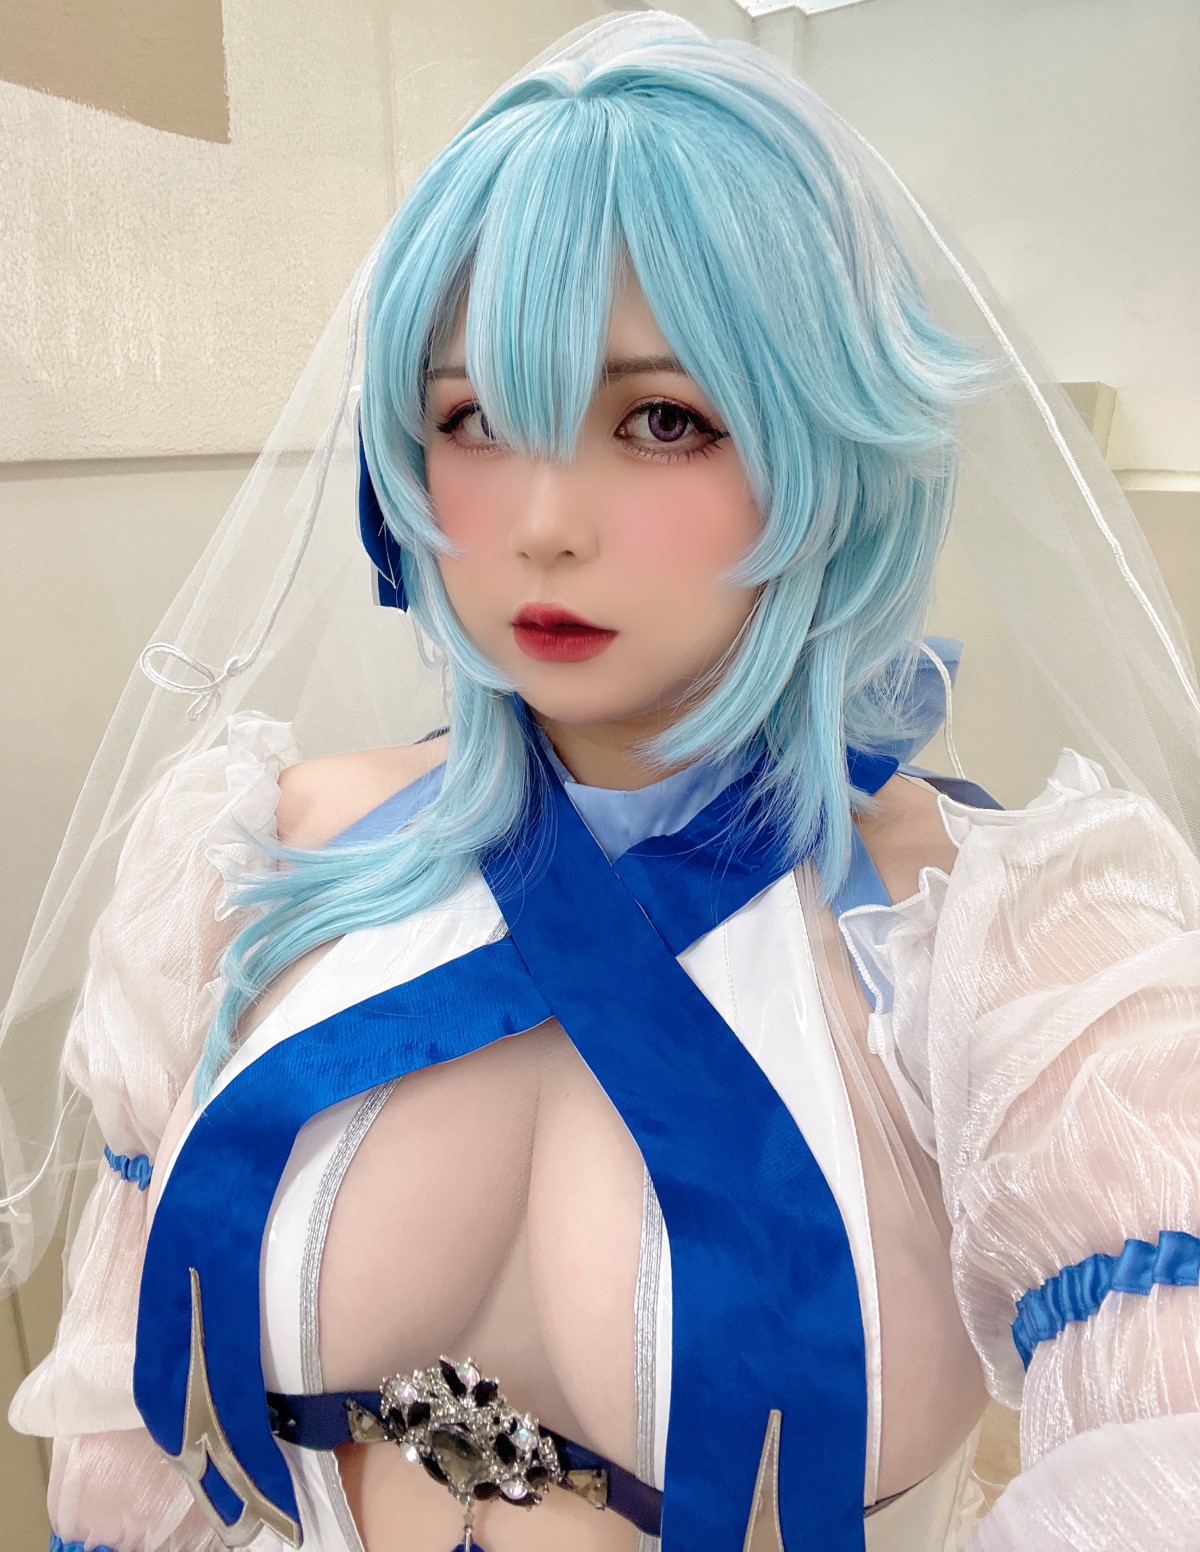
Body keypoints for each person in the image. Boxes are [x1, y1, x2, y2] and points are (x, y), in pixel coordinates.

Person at [6, 12, 1200, 1552]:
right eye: (476, 419)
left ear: (828, 447)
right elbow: (130, 1440)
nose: (544, 523)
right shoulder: (256, 860)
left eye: (661, 419)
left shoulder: (1012, 959)